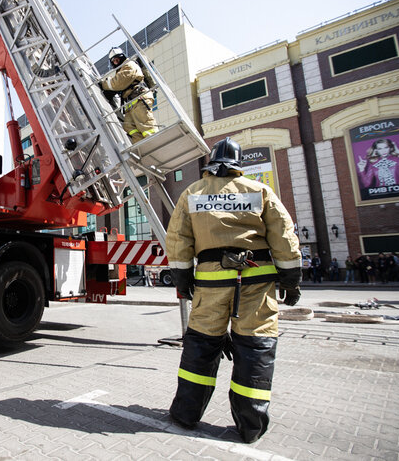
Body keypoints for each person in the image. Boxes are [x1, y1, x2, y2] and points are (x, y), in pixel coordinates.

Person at [165, 137, 302, 443]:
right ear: (239, 165)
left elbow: (178, 239)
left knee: (200, 348)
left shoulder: (192, 193)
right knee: (255, 350)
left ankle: (185, 414)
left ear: (210, 163)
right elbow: (284, 236)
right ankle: (250, 426)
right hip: (256, 284)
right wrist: (291, 281)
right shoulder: (260, 191)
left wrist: (182, 280)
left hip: (211, 284)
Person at [99, 47, 158, 144]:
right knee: (128, 126)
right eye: (113, 61)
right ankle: (142, 145)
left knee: (146, 125)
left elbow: (119, 82)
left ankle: (155, 143)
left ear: (122, 57)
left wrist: (104, 84)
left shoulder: (129, 65)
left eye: (117, 59)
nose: (115, 62)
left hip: (140, 98)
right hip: (132, 102)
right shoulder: (122, 69)